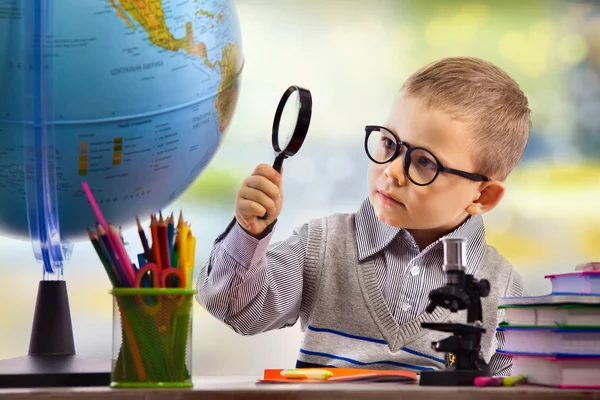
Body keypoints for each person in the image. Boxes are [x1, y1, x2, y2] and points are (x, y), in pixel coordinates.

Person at [196, 56, 529, 376]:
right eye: (388, 143)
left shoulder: (503, 289)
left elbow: (513, 388)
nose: (391, 171)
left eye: (425, 162)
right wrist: (249, 235)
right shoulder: (321, 244)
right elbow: (234, 308)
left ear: (483, 197)